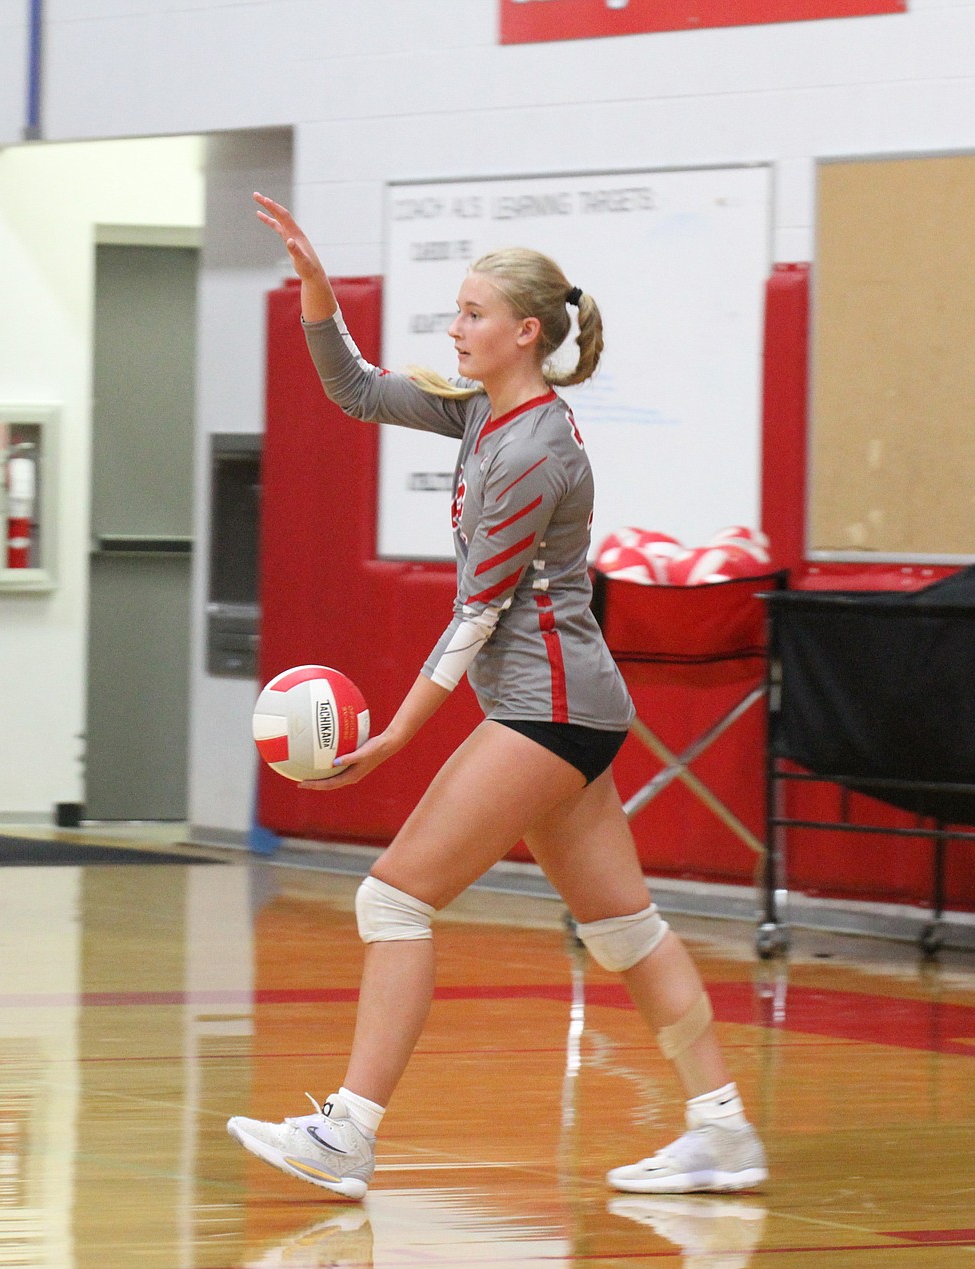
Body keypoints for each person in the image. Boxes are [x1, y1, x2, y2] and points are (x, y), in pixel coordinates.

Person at [226, 192, 768, 1201]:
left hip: (549, 710)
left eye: (472, 312)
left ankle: (348, 1133)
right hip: (568, 705)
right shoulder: (482, 409)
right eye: (454, 310)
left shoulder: (534, 450)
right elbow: (354, 390)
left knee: (392, 897)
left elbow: (475, 616)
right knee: (625, 933)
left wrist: (393, 739)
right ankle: (723, 1128)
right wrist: (314, 289)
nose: (454, 327)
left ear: (525, 332)